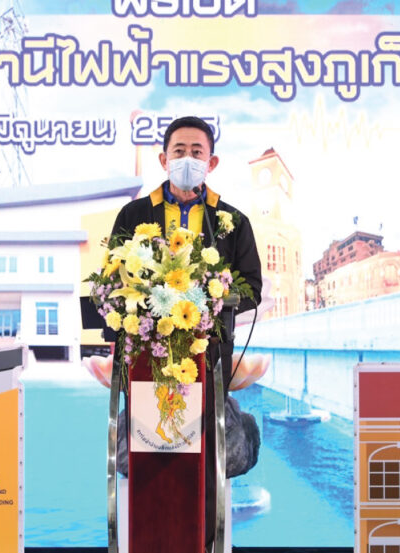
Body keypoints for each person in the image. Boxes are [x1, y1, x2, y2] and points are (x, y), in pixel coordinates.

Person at [108, 115, 262, 551]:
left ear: (212, 162)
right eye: (180, 151)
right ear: (163, 159)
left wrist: (212, 297)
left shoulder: (231, 221)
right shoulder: (134, 215)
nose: (188, 159)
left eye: (197, 152)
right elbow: (112, 276)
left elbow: (252, 286)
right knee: (150, 455)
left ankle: (202, 542)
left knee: (203, 465)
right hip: (146, 358)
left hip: (206, 360)